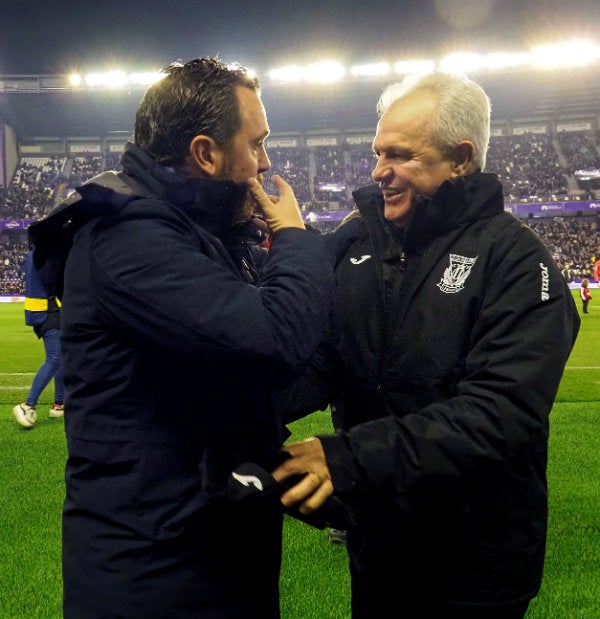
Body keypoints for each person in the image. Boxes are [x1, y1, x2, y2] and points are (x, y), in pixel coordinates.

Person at [27, 57, 341, 619]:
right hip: (155, 575)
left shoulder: (187, 233)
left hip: (202, 554)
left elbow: (231, 388)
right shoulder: (128, 238)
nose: (266, 163)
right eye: (257, 143)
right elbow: (273, 338)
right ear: (205, 153)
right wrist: (293, 237)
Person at [270, 71, 581, 618]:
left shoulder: (516, 259)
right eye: (377, 152)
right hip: (379, 546)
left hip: (475, 565)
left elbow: (498, 412)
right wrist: (241, 409)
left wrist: (347, 458)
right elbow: (325, 360)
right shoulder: (360, 241)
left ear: (461, 159)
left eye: (400, 155)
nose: (378, 171)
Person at [13, 248, 64, 429]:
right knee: (55, 358)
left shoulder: (35, 253)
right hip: (48, 310)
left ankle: (59, 405)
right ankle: (27, 406)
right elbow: (56, 281)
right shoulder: (46, 254)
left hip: (43, 310)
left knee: (60, 357)